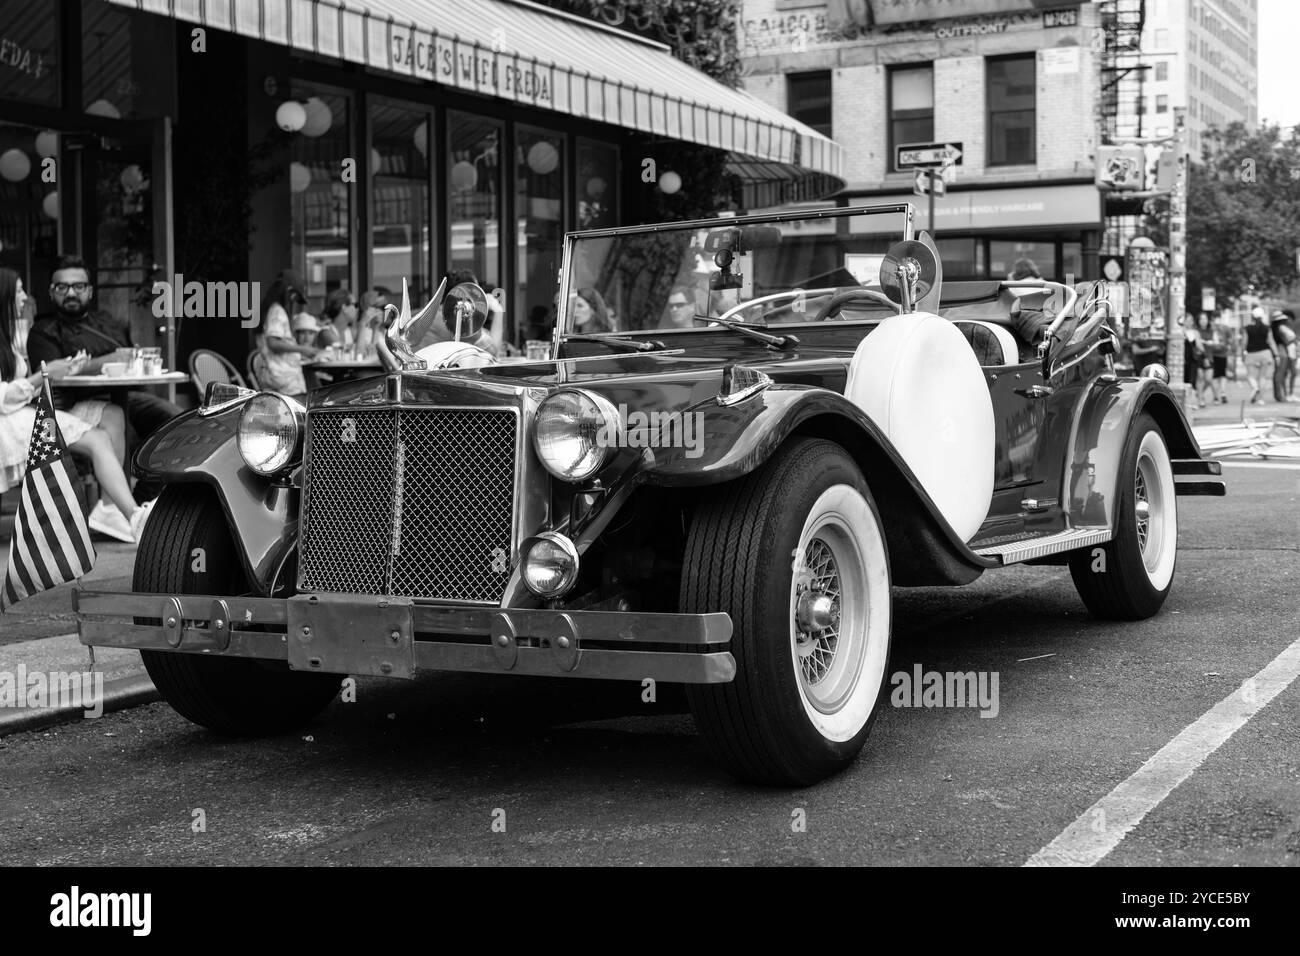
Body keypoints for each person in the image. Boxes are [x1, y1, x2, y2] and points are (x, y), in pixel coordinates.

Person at [0, 268, 151, 544]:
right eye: (19, 290)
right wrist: (45, 373)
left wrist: (69, 367)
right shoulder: (33, 332)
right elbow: (3, 396)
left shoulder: (11, 333)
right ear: (6, 296)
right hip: (10, 418)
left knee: (114, 414)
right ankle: (133, 515)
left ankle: (109, 508)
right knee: (98, 440)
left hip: (27, 408)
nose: (24, 297)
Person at [26, 255, 181, 499]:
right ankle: (122, 505)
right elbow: (52, 373)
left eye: (78, 286)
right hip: (80, 402)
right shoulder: (42, 331)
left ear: (90, 291)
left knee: (175, 421)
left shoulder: (108, 322)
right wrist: (108, 361)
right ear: (51, 292)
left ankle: (143, 497)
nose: (70, 293)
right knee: (121, 422)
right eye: (62, 287)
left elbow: (130, 357)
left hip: (129, 394)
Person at [256, 271, 319, 398]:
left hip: (279, 377)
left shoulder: (271, 309)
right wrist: (302, 349)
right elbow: (272, 342)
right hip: (285, 379)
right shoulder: (277, 311)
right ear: (290, 292)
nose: (294, 302)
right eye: (296, 298)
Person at [1243, 307, 1275, 406]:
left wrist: (1242, 353)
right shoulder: (1267, 328)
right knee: (1263, 377)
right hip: (1265, 353)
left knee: (1250, 376)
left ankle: (1255, 387)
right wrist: (1276, 355)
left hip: (1252, 354)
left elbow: (1244, 342)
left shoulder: (1247, 328)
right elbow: (1271, 342)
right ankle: (1260, 399)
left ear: (1253, 316)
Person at [316, 288, 358, 352]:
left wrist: (375, 328)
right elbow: (346, 352)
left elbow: (370, 352)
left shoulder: (352, 332)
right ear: (344, 308)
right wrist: (362, 325)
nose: (357, 309)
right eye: (355, 305)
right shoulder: (325, 333)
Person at [1269, 308, 1297, 402]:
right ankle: (1281, 394)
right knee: (1280, 373)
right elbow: (1289, 339)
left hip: (1281, 350)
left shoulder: (1275, 328)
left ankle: (1281, 394)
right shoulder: (1281, 328)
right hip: (1282, 350)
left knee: (1279, 373)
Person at [1202, 312, 1229, 405]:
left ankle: (1217, 396)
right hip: (1218, 355)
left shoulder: (1213, 329)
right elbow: (1229, 340)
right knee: (1221, 375)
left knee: (1215, 377)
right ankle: (1222, 393)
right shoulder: (1223, 328)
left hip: (1215, 355)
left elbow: (1229, 340)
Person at [1183, 314, 1208, 403]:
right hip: (1181, 360)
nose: (1190, 322)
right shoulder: (1179, 331)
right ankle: (1186, 402)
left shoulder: (1195, 332)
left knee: (1191, 381)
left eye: (1191, 320)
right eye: (1188, 320)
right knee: (1184, 381)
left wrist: (1205, 357)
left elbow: (1199, 345)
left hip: (1192, 359)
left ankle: (1190, 403)